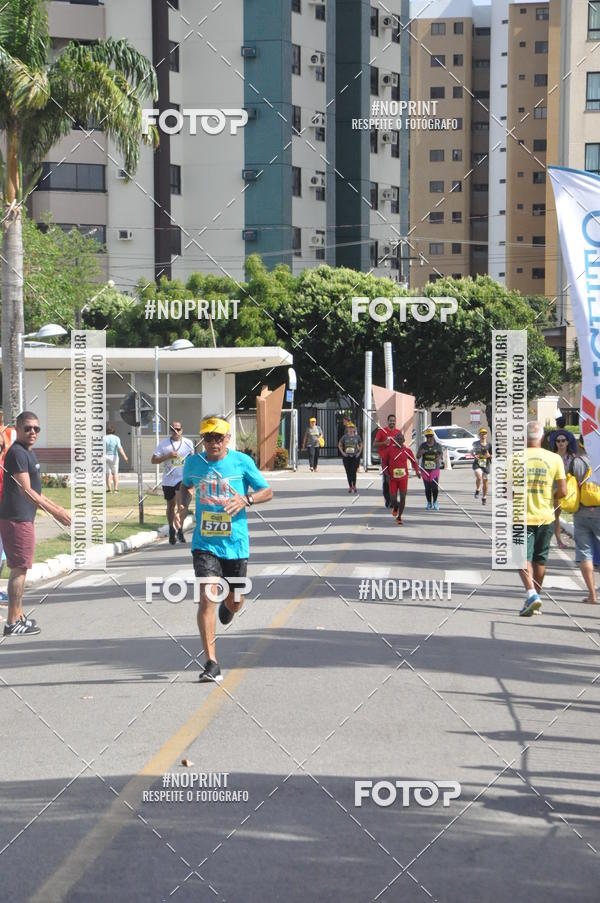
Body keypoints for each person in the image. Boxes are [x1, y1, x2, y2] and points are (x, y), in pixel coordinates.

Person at [182, 415, 273, 683]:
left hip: (236, 543)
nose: (212, 443)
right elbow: (185, 486)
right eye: (207, 438)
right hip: (204, 543)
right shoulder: (193, 463)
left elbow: (267, 491)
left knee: (234, 600)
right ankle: (211, 662)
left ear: (227, 439)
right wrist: (180, 505)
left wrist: (246, 499)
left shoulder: (242, 462)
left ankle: (230, 608)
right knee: (207, 597)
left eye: (218, 437)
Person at [0, 411, 71, 636]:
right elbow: (27, 491)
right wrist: (55, 513)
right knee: (19, 569)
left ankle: (19, 615)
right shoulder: (18, 453)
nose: (32, 432)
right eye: (28, 428)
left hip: (23, 518)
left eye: (36, 429)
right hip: (16, 518)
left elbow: (37, 491)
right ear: (18, 429)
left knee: (22, 568)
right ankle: (12, 622)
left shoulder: (29, 453)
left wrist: (59, 508)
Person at [518, 421, 566, 617]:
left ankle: (531, 595)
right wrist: (547, 496)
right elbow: (563, 491)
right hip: (546, 516)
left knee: (521, 559)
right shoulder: (554, 459)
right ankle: (535, 597)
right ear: (543, 438)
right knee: (540, 560)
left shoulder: (515, 458)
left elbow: (506, 491)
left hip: (521, 516)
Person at [152, 420, 195, 545]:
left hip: (183, 478)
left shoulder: (188, 443)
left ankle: (180, 529)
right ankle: (171, 529)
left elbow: (192, 459)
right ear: (170, 431)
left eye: (178, 429)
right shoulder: (164, 444)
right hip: (168, 479)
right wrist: (168, 456)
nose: (176, 431)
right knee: (170, 506)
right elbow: (154, 460)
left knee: (181, 505)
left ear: (182, 430)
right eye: (173, 429)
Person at [569, 438, 600, 604]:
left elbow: (568, 487)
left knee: (585, 554)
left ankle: (592, 596)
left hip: (581, 512)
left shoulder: (576, 462)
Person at [386, 432, 420, 525]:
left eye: (401, 439)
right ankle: (396, 507)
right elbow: (384, 462)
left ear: (404, 441)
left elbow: (414, 462)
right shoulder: (389, 450)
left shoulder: (407, 451)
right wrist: (386, 473)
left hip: (403, 478)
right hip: (393, 478)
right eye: (398, 439)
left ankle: (399, 516)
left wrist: (417, 471)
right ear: (395, 440)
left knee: (403, 497)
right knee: (393, 498)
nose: (399, 441)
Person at [551, 430, 577, 549]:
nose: (561, 443)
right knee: (556, 515)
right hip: (556, 489)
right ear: (555, 443)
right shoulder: (552, 457)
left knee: (575, 513)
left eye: (563, 440)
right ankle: (558, 540)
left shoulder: (573, 457)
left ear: (567, 442)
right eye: (558, 441)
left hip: (571, 490)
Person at [373, 414, 402, 508]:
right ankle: (388, 500)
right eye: (390, 420)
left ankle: (394, 499)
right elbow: (374, 444)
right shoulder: (382, 431)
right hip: (385, 460)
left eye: (394, 420)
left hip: (396, 460)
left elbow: (401, 445)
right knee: (386, 480)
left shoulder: (398, 432)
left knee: (396, 480)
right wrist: (384, 443)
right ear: (387, 421)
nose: (392, 422)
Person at [416, 427, 443, 510]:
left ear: (433, 436)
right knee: (427, 488)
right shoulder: (423, 445)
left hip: (435, 469)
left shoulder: (437, 445)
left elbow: (441, 454)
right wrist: (421, 453)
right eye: (427, 437)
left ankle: (435, 502)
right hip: (425, 469)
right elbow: (417, 456)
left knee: (434, 487)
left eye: (430, 436)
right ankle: (428, 502)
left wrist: (439, 457)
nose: (429, 438)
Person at [338, 422, 362, 493]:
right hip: (347, 457)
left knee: (353, 472)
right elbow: (339, 445)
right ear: (347, 429)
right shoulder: (344, 437)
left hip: (355, 456)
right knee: (348, 472)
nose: (351, 429)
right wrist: (343, 453)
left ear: (354, 429)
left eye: (352, 428)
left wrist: (359, 453)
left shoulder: (357, 437)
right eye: (349, 428)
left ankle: (354, 485)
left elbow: (361, 444)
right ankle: (350, 486)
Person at [105, 424, 128, 493]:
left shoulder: (103, 438)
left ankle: (109, 489)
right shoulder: (116, 438)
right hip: (114, 456)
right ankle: (115, 489)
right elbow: (119, 448)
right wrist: (125, 456)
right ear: (113, 431)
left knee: (107, 474)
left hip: (105, 456)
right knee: (115, 473)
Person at [472, 426, 492, 505]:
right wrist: (474, 455)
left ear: (486, 435)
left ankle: (484, 497)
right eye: (482, 433)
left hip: (486, 465)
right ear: (479, 435)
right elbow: (472, 451)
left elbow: (493, 455)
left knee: (485, 482)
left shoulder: (489, 445)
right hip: (477, 464)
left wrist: (489, 456)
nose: (483, 435)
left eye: (484, 433)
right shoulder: (475, 444)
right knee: (479, 476)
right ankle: (478, 489)